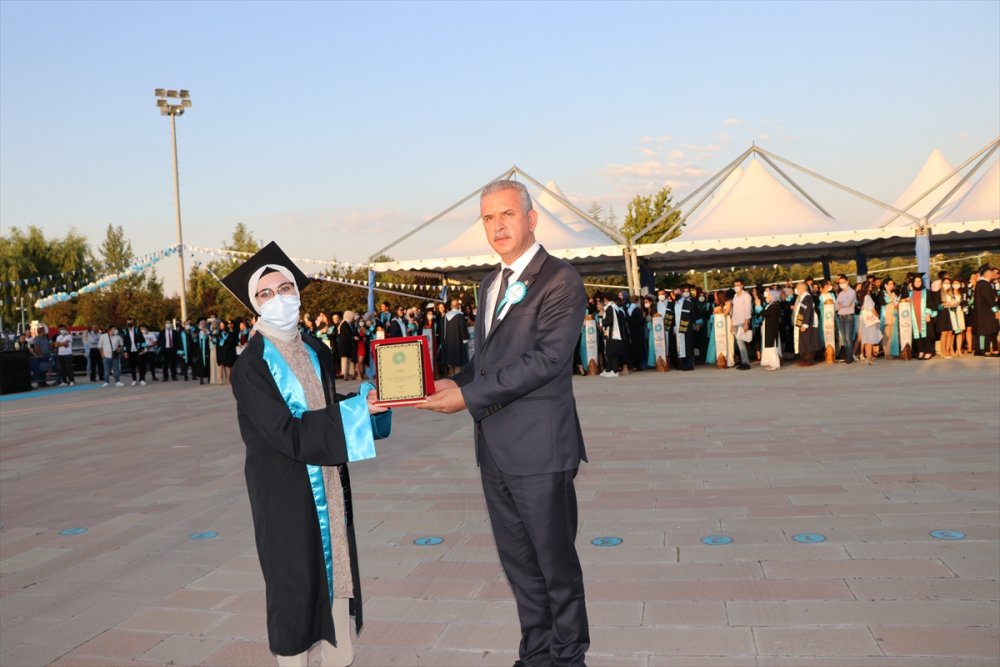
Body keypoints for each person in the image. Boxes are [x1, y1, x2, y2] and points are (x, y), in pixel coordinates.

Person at [419, 180, 590, 667]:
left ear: (531, 219)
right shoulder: (488, 283)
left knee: (555, 567)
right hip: (494, 451)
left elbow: (547, 360)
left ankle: (568, 658)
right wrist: (453, 383)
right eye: (489, 218)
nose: (497, 225)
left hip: (541, 450)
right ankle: (535, 655)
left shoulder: (560, 279)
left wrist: (469, 398)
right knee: (519, 567)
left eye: (507, 215)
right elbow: (488, 361)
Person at [223, 242, 387, 667]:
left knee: (335, 580)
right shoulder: (252, 365)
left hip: (328, 486)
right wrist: (350, 414)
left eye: (286, 288)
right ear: (254, 306)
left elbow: (323, 409)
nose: (280, 299)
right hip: (286, 494)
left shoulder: (316, 348)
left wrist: (364, 403)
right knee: (295, 588)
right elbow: (285, 431)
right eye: (266, 294)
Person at [792, 281, 820, 366]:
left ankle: (808, 360)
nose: (796, 289)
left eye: (797, 287)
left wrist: (804, 324)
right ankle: (803, 359)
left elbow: (808, 312)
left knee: (808, 342)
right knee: (803, 342)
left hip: (807, 324)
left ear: (801, 288)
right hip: (801, 322)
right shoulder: (802, 297)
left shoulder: (807, 297)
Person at [972, 264, 999, 356]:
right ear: (987, 274)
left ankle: (990, 350)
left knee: (989, 331)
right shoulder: (985, 284)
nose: (993, 275)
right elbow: (989, 300)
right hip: (986, 312)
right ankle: (990, 351)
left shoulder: (981, 284)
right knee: (990, 331)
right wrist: (996, 310)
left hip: (983, 312)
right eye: (992, 273)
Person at [441, 299, 469, 376]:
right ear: (458, 306)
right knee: (458, 362)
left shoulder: (445, 317)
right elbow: (462, 329)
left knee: (450, 362)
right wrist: (465, 339)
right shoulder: (460, 315)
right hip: (458, 342)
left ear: (451, 306)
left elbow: (443, 331)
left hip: (448, 342)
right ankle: (457, 379)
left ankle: (452, 377)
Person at [834, 275, 857, 363]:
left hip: (848, 317)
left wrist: (841, 304)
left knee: (848, 337)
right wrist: (842, 305)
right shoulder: (840, 293)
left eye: (843, 282)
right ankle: (847, 355)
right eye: (840, 283)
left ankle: (849, 357)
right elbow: (836, 306)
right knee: (844, 338)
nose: (841, 284)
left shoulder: (852, 292)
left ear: (847, 281)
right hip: (840, 317)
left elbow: (848, 303)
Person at [731, 280, 752, 369]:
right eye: (735, 285)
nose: (736, 287)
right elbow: (734, 311)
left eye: (738, 285)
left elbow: (748, 310)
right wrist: (732, 323)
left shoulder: (746, 296)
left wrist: (746, 323)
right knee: (739, 343)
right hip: (735, 321)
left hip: (742, 322)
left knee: (741, 343)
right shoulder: (735, 296)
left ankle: (746, 362)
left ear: (742, 285)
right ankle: (743, 360)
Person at [858, 285, 882, 366]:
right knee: (870, 339)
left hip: (865, 320)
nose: (871, 287)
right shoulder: (867, 297)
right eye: (869, 286)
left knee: (867, 339)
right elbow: (872, 309)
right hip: (870, 319)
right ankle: (869, 358)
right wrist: (877, 315)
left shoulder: (863, 297)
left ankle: (869, 357)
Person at [673, 285, 695, 371]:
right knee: (680, 346)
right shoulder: (676, 304)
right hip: (678, 327)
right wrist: (674, 328)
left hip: (687, 327)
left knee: (688, 345)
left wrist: (693, 324)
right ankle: (682, 364)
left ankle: (689, 364)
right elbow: (675, 316)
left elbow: (692, 315)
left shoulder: (689, 302)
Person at [759, 289, 782, 370]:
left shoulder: (774, 306)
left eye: (769, 295)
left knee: (771, 347)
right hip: (769, 329)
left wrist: (759, 307)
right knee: (769, 346)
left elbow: (764, 313)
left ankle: (775, 364)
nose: (767, 297)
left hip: (772, 329)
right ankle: (772, 363)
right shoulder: (771, 305)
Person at [121, 318, 144, 385]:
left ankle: (142, 379)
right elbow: (124, 342)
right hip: (130, 351)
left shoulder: (137, 329)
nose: (129, 323)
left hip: (138, 350)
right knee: (132, 366)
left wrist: (142, 349)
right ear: (126, 322)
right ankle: (134, 380)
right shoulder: (124, 330)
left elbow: (142, 339)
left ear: (133, 322)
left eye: (130, 322)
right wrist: (125, 352)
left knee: (140, 365)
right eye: (128, 322)